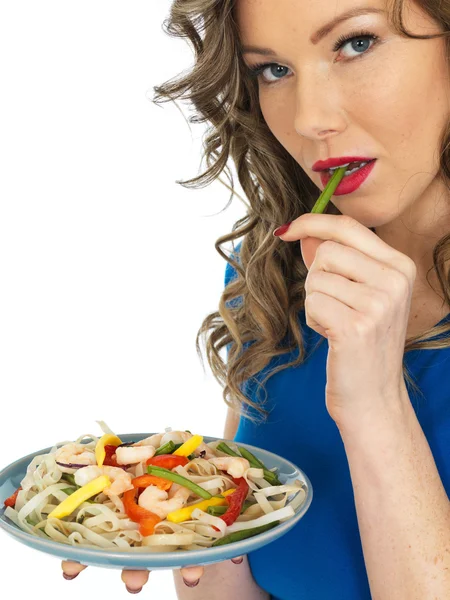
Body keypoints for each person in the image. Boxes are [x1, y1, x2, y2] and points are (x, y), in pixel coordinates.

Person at [61, 0, 450, 597]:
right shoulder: (273, 275)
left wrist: (375, 405)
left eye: (356, 43)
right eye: (273, 70)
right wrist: (168, 521)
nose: (309, 119)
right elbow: (244, 582)